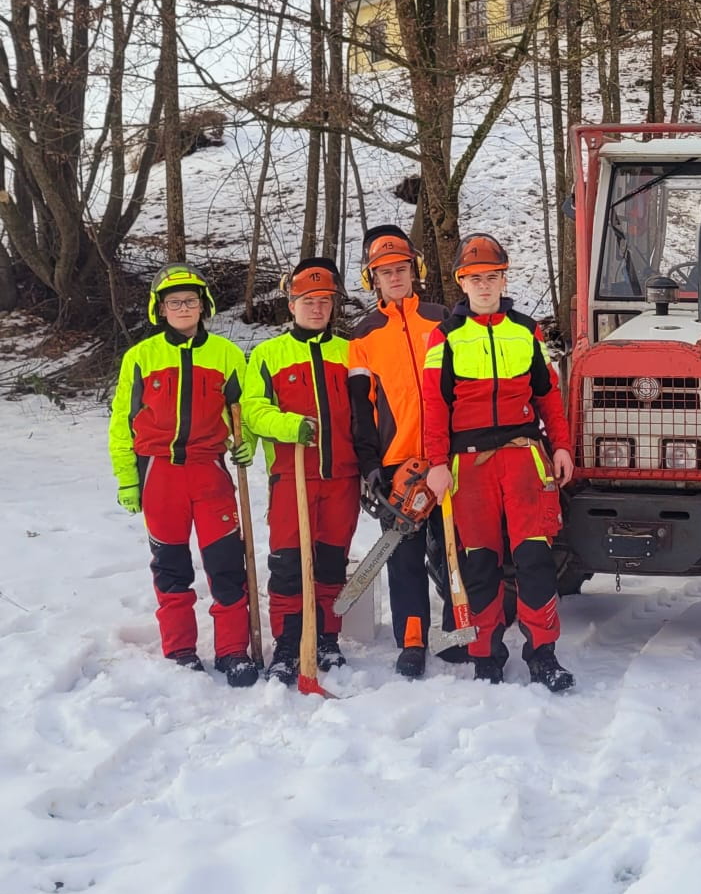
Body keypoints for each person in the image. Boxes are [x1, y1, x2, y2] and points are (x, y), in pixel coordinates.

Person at [421, 234, 576, 692]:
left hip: (524, 457)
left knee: (535, 558)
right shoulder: (444, 336)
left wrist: (561, 446)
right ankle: (485, 655)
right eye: (475, 278)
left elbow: (548, 396)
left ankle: (543, 653)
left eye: (492, 276)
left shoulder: (527, 331)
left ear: (504, 279)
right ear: (461, 282)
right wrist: (436, 462)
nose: (484, 285)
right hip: (468, 466)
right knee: (479, 564)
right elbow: (434, 405)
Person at [107, 264, 258, 686]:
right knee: (171, 566)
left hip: (210, 472)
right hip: (160, 475)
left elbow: (244, 411)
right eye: (174, 302)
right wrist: (127, 478)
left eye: (191, 300)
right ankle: (180, 650)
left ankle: (232, 651)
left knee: (226, 563)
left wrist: (247, 442)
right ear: (161, 309)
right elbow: (122, 422)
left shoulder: (226, 354)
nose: (183, 308)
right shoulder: (141, 357)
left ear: (203, 305)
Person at [242, 258, 360, 685]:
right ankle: (288, 643)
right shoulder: (268, 355)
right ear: (291, 304)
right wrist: (287, 425)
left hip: (342, 477)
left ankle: (326, 638)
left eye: (325, 301)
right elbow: (253, 410)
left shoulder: (349, 352)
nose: (317, 308)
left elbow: (368, 412)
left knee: (332, 563)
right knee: (288, 564)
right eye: (308, 300)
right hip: (292, 477)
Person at [348, 224, 455, 679]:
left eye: (401, 269)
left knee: (453, 551)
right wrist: (371, 466)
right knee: (404, 556)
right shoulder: (363, 335)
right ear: (372, 279)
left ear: (416, 270)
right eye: (385, 271)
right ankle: (412, 639)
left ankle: (455, 633)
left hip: (446, 457)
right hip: (397, 462)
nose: (395, 277)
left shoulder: (442, 319)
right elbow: (361, 409)